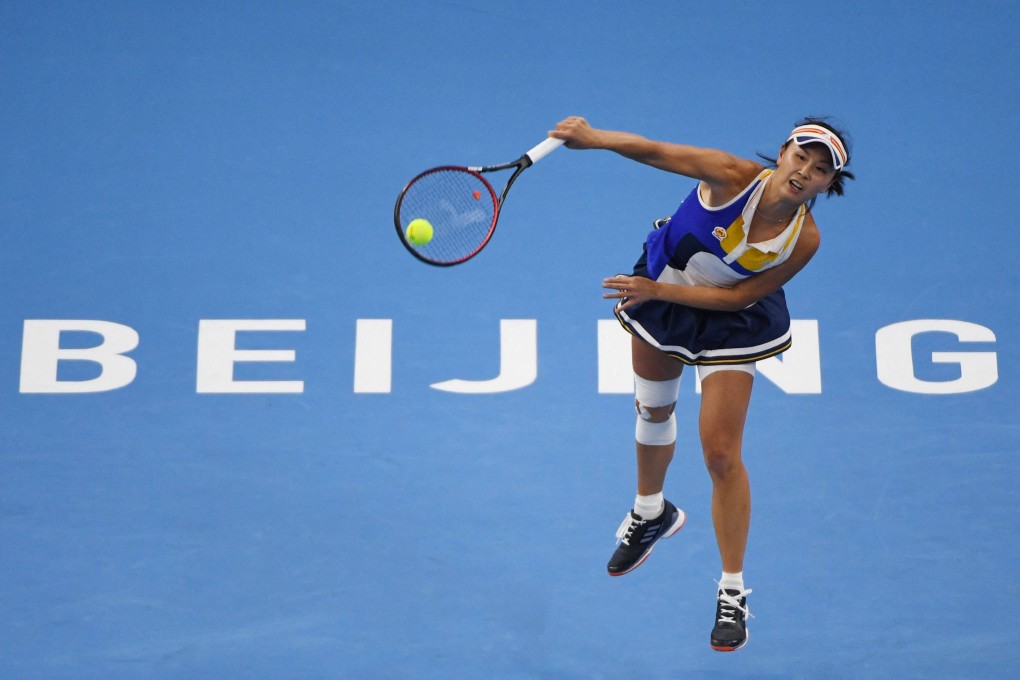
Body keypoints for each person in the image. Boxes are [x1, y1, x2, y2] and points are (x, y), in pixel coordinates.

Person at [550, 115, 853, 652]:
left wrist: (658, 294)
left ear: (829, 185)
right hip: (663, 283)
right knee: (653, 410)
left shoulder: (804, 239)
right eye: (801, 156)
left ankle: (732, 591)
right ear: (783, 152)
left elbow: (738, 298)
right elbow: (654, 149)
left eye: (821, 169)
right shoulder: (730, 174)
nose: (806, 171)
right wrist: (594, 138)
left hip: (727, 318)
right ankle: (650, 512)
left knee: (721, 455)